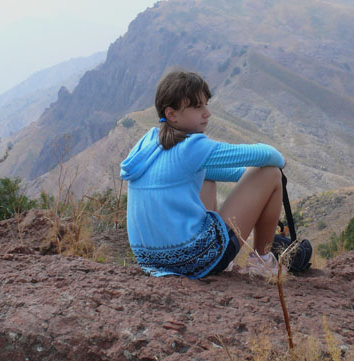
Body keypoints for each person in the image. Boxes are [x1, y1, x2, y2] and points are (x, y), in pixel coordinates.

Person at [120, 69, 285, 278]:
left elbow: (213, 170)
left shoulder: (148, 143)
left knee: (206, 176)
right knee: (271, 173)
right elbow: (270, 155)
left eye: (206, 105)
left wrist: (251, 180)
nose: (207, 113)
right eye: (198, 107)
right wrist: (267, 178)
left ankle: (222, 257)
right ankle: (262, 262)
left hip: (152, 261)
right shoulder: (193, 147)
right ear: (171, 114)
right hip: (193, 260)